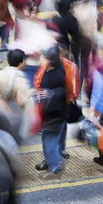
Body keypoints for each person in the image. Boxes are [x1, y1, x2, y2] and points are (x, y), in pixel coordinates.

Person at [33, 46, 68, 176]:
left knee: (50, 143)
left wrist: (42, 97)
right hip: (50, 116)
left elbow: (57, 96)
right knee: (47, 140)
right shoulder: (50, 70)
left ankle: (55, 167)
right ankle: (50, 161)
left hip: (54, 117)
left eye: (43, 57)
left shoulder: (55, 76)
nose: (40, 58)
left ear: (49, 61)